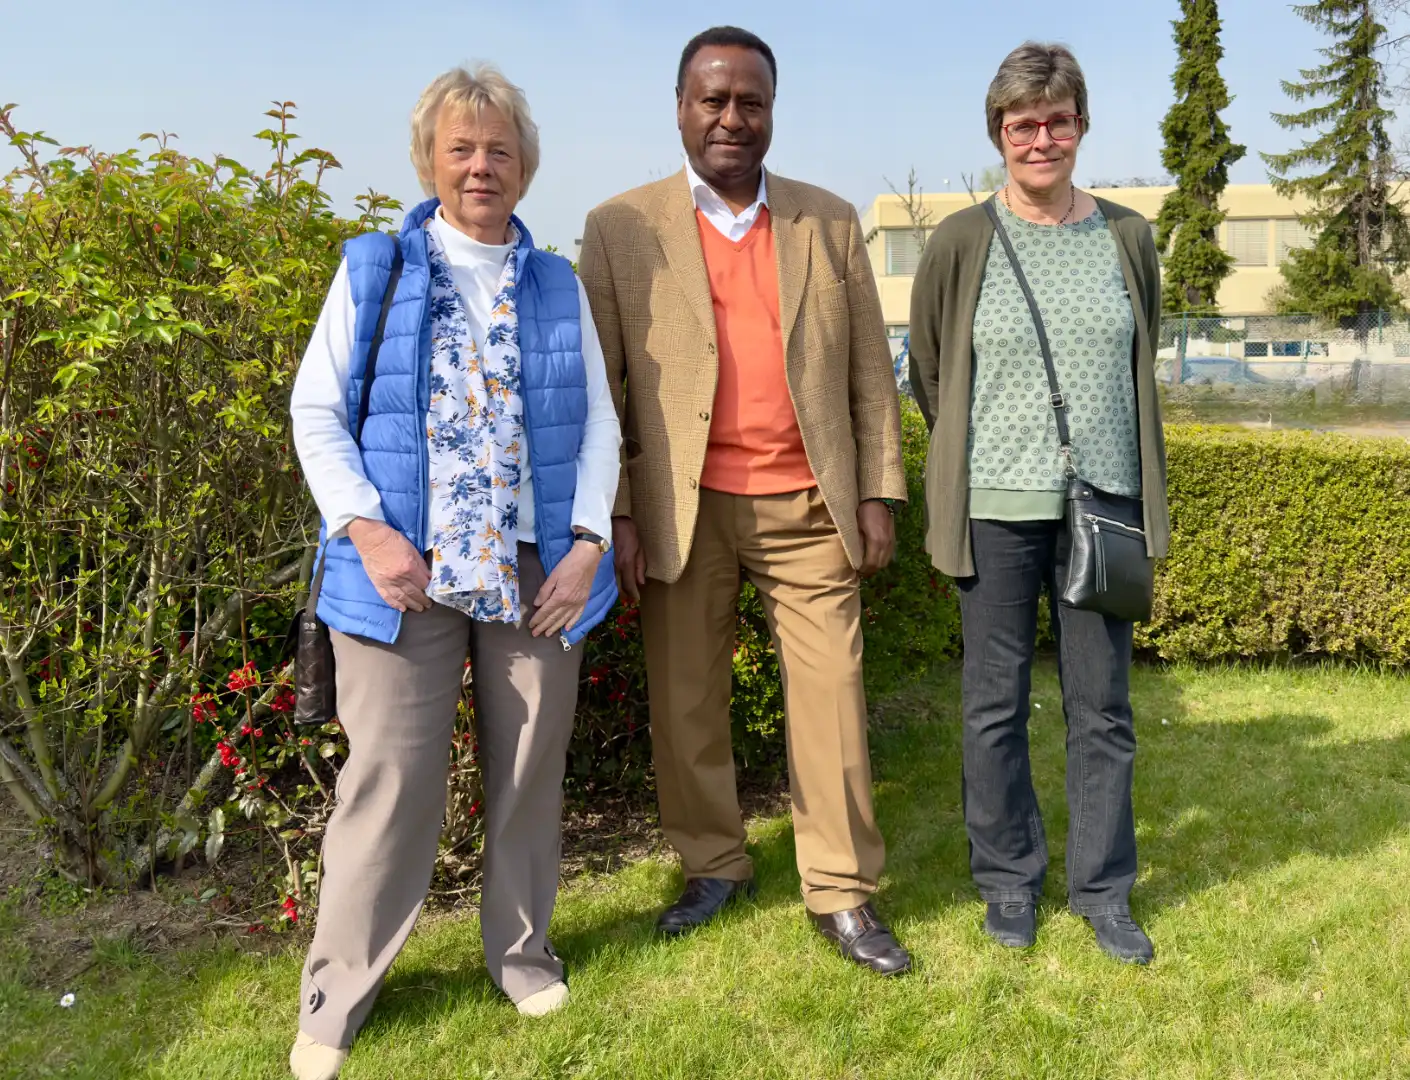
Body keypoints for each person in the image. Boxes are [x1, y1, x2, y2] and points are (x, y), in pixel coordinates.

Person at [286, 65, 620, 1080]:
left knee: (525, 772)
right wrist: (368, 534)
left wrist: (587, 543)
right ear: (431, 159)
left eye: (501, 149)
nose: (483, 166)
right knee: (388, 781)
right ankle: (337, 993)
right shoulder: (377, 267)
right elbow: (316, 414)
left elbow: (600, 426)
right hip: (403, 571)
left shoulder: (557, 281)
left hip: (532, 569)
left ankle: (520, 955)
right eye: (462, 148)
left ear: (526, 166)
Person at [578, 26, 911, 976]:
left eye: (750, 102)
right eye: (712, 100)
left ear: (772, 111)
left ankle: (842, 889)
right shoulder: (620, 229)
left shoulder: (829, 221)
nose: (732, 117)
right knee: (686, 703)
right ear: (681, 108)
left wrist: (879, 490)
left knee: (833, 697)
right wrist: (618, 516)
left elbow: (868, 378)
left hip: (811, 501)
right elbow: (602, 392)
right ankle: (713, 866)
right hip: (682, 507)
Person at [908, 42, 1169, 964]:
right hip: (994, 505)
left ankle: (1104, 891)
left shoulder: (1128, 236)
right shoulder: (960, 240)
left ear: (1081, 127)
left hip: (1106, 506)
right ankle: (1009, 883)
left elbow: (1137, 356)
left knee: (1102, 706)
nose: (1043, 137)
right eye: (1025, 123)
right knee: (993, 703)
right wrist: (993, 453)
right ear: (1000, 134)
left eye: (1059, 120)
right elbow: (931, 369)